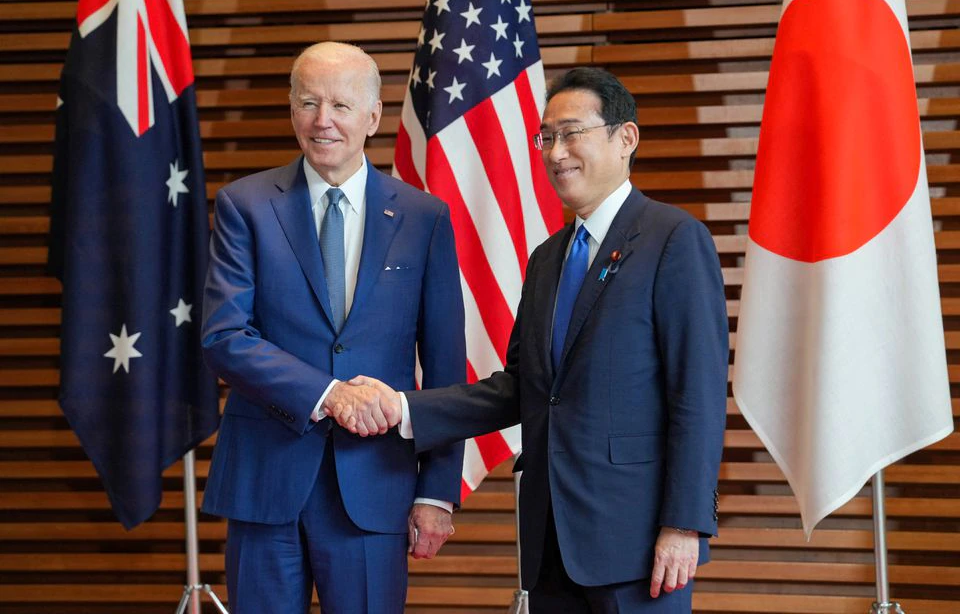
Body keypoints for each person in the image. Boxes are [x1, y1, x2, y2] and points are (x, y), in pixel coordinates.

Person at [329, 67, 728, 613]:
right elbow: (521, 389)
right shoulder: (547, 259)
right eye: (547, 137)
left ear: (625, 138)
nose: (556, 152)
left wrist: (684, 524)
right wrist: (402, 407)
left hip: (638, 544)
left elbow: (698, 396)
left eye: (573, 133)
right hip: (549, 542)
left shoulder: (674, 240)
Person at [200, 41, 466, 613]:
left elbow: (446, 367)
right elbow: (224, 336)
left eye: (341, 106)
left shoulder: (424, 217)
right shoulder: (244, 205)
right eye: (308, 102)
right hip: (265, 483)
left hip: (376, 486)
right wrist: (328, 394)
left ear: (373, 118)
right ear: (291, 110)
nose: (323, 121)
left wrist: (438, 491)